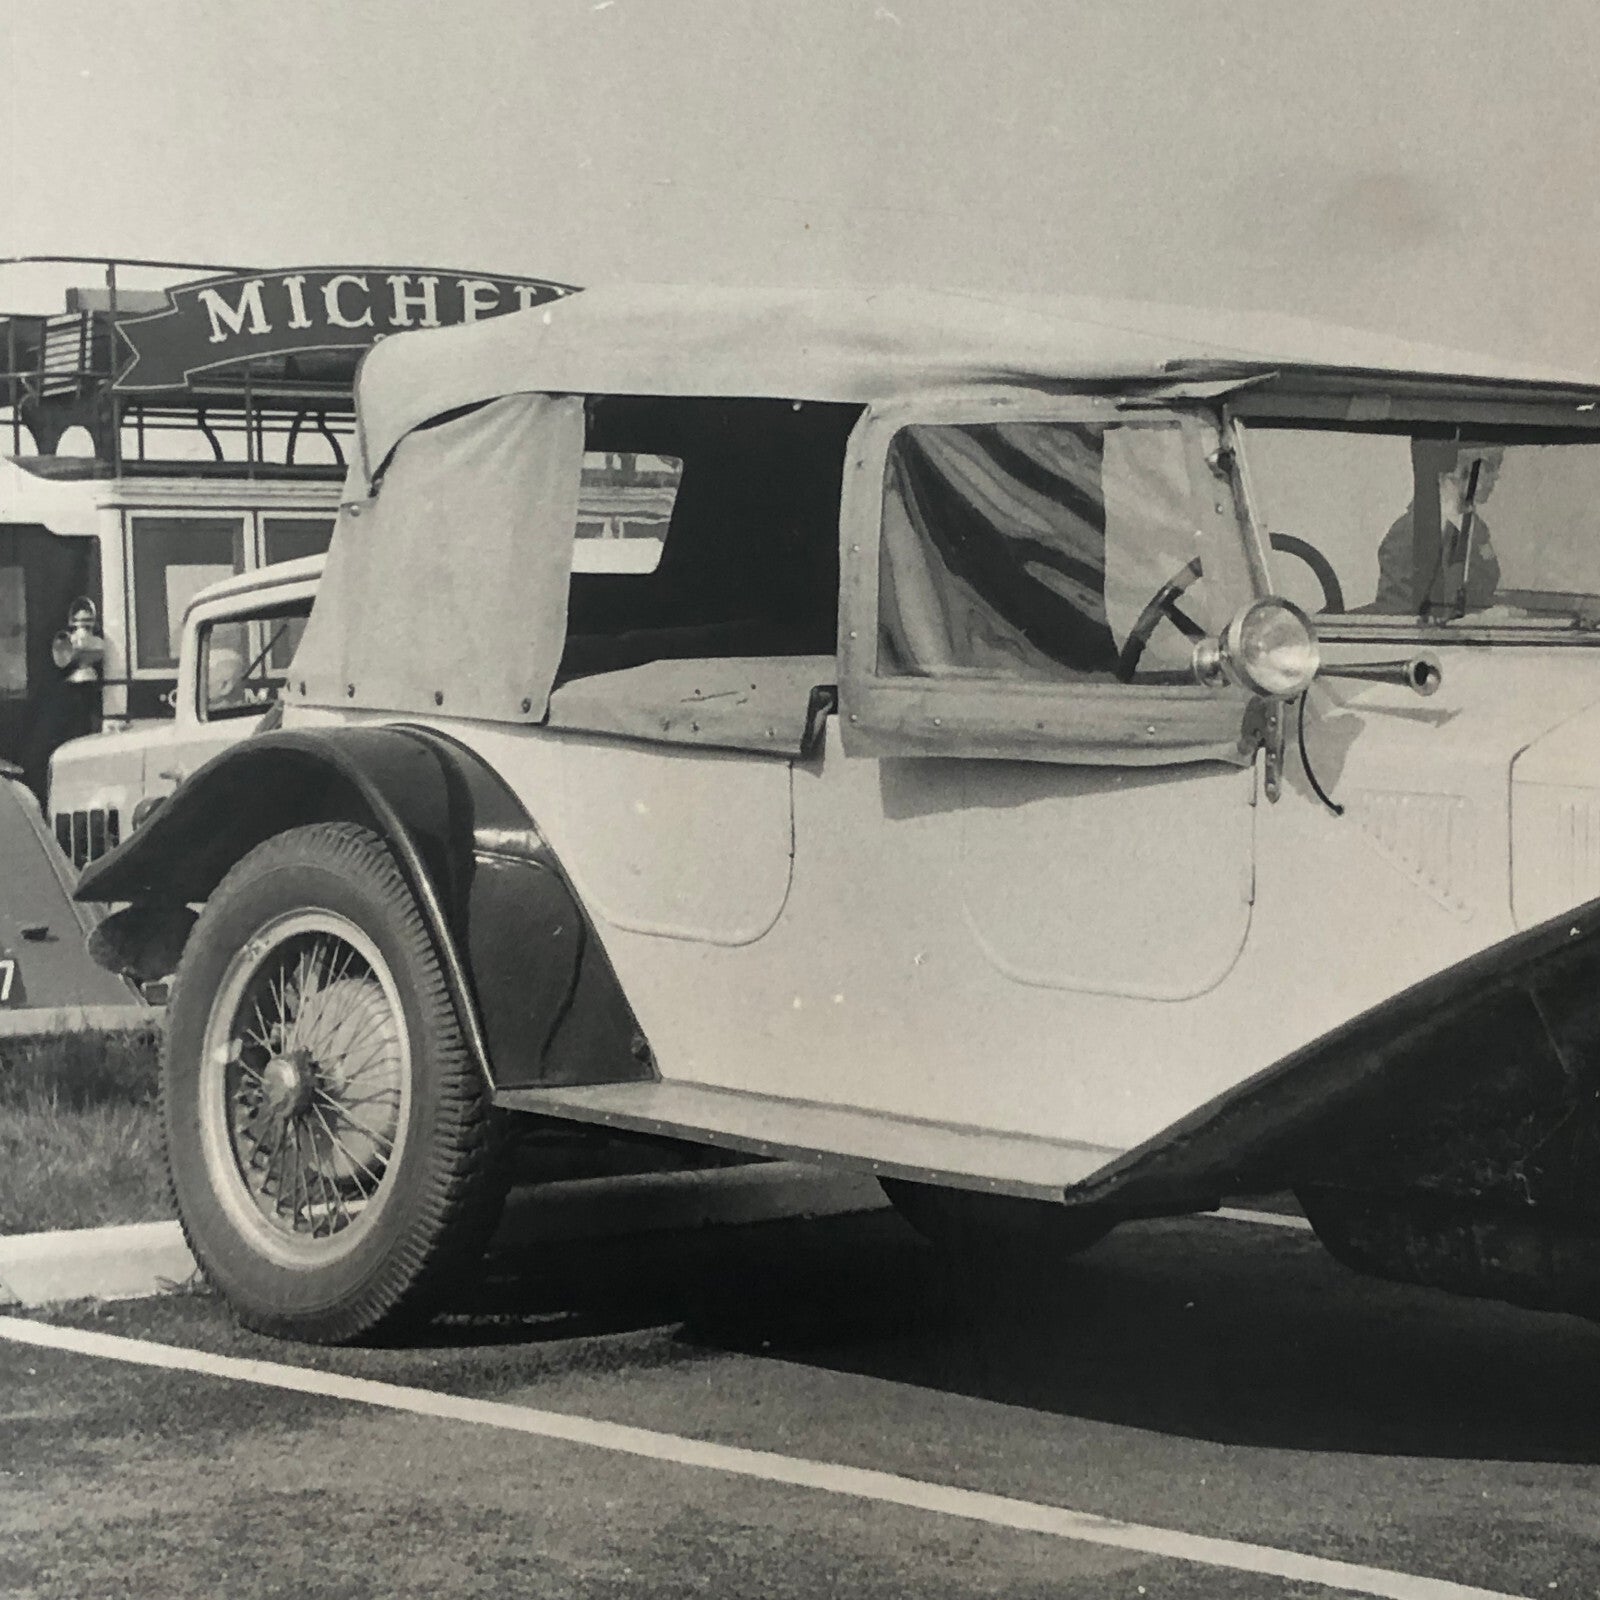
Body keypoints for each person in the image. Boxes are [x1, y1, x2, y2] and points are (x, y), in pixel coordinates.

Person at [1373, 443, 1503, 616]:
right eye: (1488, 466)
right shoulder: (1408, 534)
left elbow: (1479, 594)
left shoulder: (1476, 530)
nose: (1496, 477)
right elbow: (1397, 620)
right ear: (1453, 471)